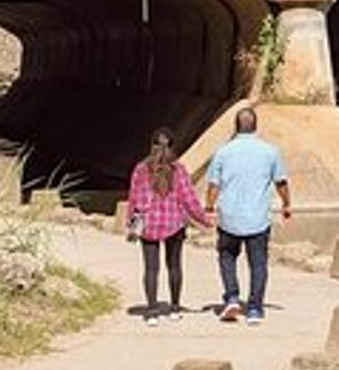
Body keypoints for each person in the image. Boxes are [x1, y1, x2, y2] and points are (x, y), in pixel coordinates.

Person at [203, 105, 291, 324]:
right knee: (258, 264)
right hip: (258, 219)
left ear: (236, 127)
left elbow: (213, 185)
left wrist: (209, 208)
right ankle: (254, 309)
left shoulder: (223, 152)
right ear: (256, 127)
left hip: (229, 218)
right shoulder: (270, 151)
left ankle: (232, 297)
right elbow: (281, 182)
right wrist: (286, 204)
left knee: (227, 257)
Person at [119, 128, 210, 326]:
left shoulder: (141, 169)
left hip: (148, 225)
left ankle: (151, 311)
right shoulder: (178, 169)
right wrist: (204, 220)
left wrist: (131, 224)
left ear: (151, 146)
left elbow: (134, 198)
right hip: (174, 224)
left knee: (151, 269)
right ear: (173, 146)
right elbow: (189, 199)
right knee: (174, 266)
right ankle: (175, 308)